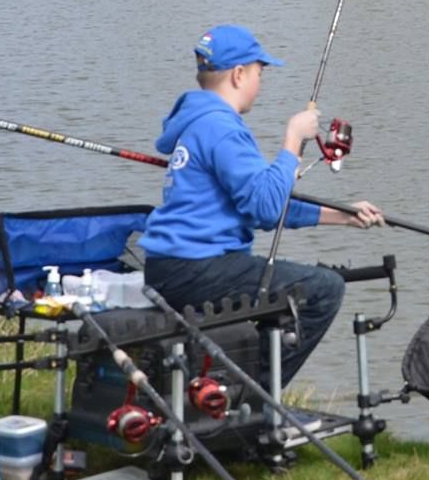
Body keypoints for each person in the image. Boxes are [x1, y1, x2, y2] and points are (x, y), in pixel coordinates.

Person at [141, 23, 384, 384]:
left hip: (172, 267)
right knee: (324, 289)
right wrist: (292, 140)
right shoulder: (222, 127)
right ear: (239, 75)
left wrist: (342, 216)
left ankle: (235, 392)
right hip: (198, 269)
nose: (261, 82)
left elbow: (258, 201)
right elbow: (267, 206)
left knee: (300, 285)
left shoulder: (200, 121)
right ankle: (255, 402)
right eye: (260, 72)